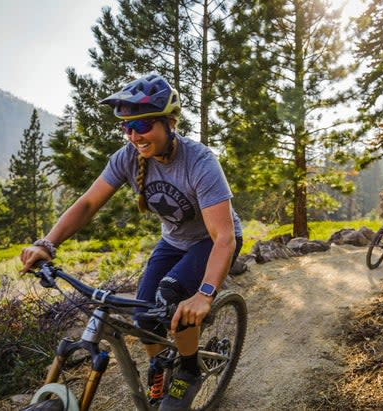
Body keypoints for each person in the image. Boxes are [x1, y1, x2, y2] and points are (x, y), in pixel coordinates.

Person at [19, 73, 243, 410]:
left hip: (212, 241)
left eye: (143, 125)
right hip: (174, 241)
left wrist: (205, 294)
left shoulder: (200, 162)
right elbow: (88, 203)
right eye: (126, 127)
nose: (133, 135)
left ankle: (189, 369)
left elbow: (223, 236)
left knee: (171, 294)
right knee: (145, 315)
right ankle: (160, 362)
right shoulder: (127, 157)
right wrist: (47, 244)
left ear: (170, 122)